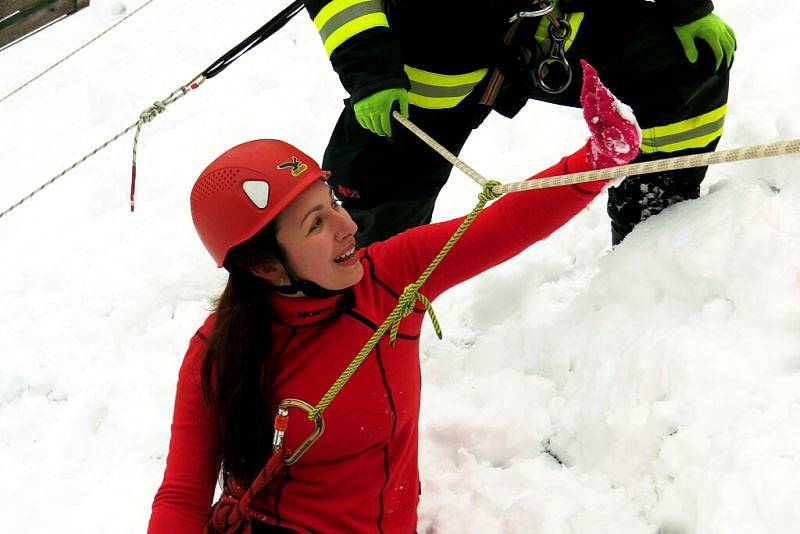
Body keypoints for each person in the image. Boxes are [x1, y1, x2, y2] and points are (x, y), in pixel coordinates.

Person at [147, 63, 639, 533]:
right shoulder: (217, 350)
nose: (348, 226)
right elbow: (182, 497)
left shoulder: (390, 278)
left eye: (333, 203)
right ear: (265, 267)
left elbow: (504, 224)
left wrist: (597, 161)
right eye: (315, 224)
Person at [303, 0, 735, 245]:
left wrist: (684, 4)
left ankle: (654, 236)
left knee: (686, 66)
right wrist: (369, 66)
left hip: (557, 26)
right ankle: (344, 303)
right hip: (432, 51)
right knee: (376, 195)